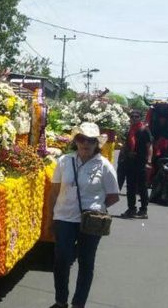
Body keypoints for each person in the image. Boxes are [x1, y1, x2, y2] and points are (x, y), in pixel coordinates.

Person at [48, 122, 120, 308]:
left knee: (86, 262)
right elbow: (54, 192)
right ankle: (60, 300)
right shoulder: (65, 161)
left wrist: (96, 208)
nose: (85, 143)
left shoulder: (104, 166)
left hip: (91, 221)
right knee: (62, 259)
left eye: (90, 140)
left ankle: (78, 303)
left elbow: (113, 196)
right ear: (76, 141)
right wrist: (50, 217)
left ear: (97, 143)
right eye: (81, 139)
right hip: (64, 217)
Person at [117, 110, 152, 219]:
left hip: (141, 161)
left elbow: (149, 146)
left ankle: (143, 210)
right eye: (132, 116)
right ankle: (131, 209)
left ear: (140, 118)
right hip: (130, 161)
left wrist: (149, 161)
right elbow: (125, 145)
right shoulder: (129, 131)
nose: (134, 118)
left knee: (142, 187)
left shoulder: (144, 130)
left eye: (136, 116)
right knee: (130, 187)